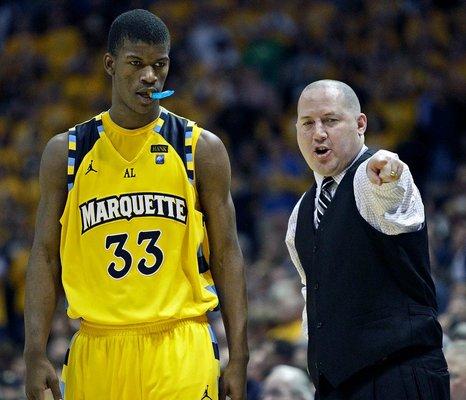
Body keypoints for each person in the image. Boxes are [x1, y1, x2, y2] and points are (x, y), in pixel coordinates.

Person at [23, 9, 248, 400]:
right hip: (98, 344)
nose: (150, 77)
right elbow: (45, 256)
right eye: (136, 64)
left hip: (180, 342)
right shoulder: (67, 152)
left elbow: (227, 254)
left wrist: (240, 357)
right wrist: (33, 352)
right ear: (110, 64)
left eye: (159, 65)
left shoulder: (199, 148)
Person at [286, 79, 449, 399]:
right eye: (307, 123)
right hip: (335, 385)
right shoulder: (299, 213)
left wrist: (390, 173)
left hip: (398, 376)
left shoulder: (371, 176)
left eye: (330, 120)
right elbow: (313, 293)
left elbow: (392, 196)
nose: (318, 132)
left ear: (360, 124)